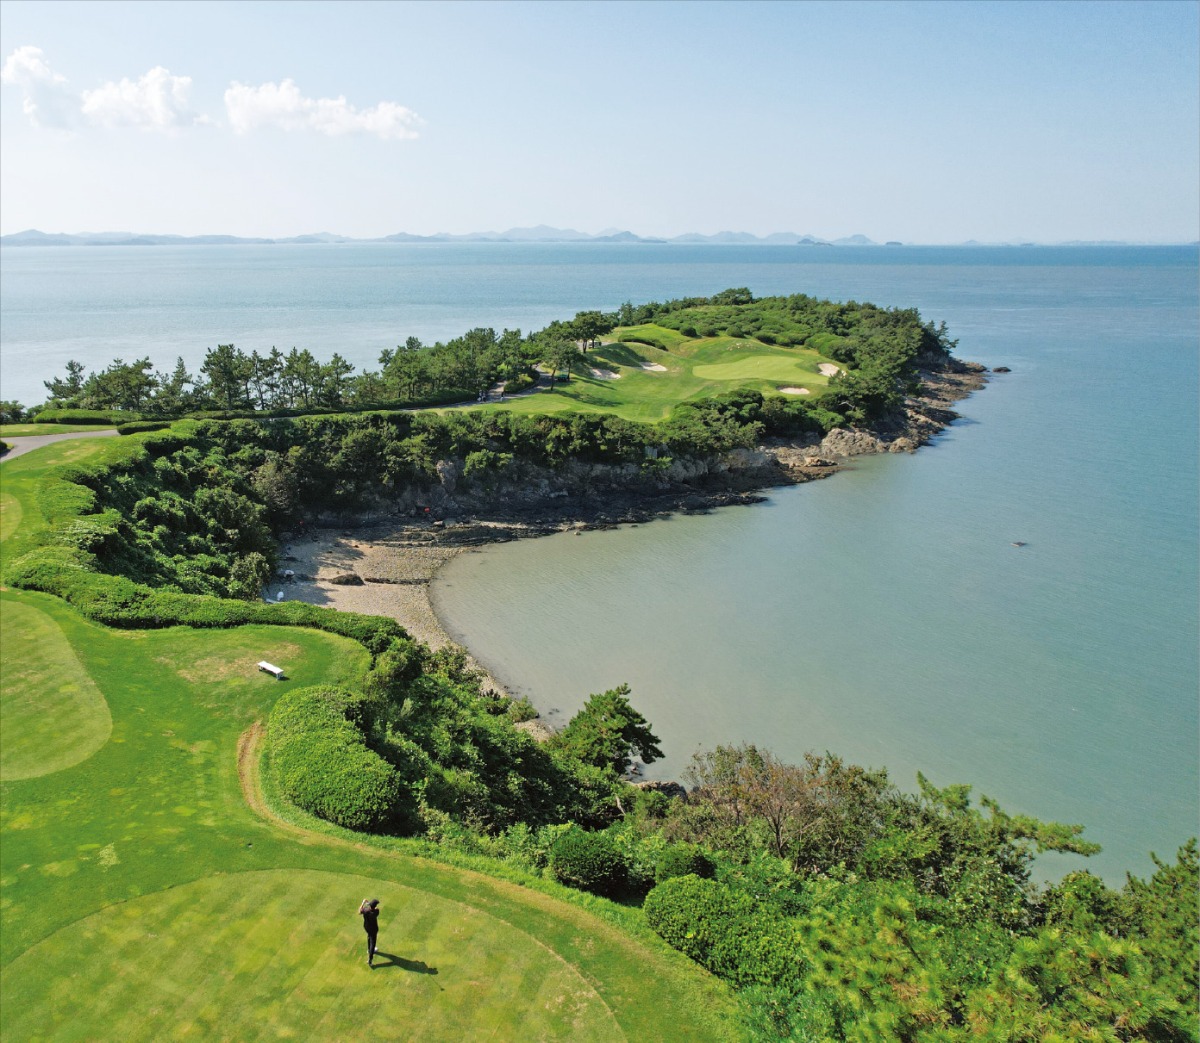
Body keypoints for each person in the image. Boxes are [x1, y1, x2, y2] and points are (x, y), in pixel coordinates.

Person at [359, 898, 380, 966]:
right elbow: (376, 908)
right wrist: (369, 904)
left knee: (369, 937)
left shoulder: (366, 910)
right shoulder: (376, 912)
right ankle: (370, 960)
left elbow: (359, 911)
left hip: (366, 927)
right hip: (373, 929)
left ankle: (368, 950)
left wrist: (363, 902)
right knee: (372, 943)